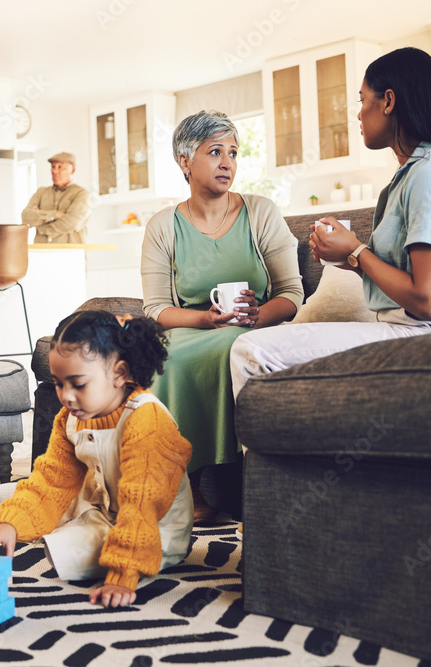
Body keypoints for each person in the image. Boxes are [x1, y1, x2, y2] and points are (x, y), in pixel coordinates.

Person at [230, 47, 431, 398]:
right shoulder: (415, 174)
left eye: (362, 100)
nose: (357, 114)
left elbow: (428, 300)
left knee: (250, 351)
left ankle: (273, 453)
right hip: (417, 331)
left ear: (388, 101)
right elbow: (407, 282)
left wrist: (357, 250)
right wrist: (349, 259)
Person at [141, 110, 303, 522]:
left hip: (256, 327)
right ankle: (187, 490)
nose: (227, 162)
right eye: (215, 152)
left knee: (238, 346)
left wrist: (257, 316)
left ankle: (237, 481)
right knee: (168, 358)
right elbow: (155, 309)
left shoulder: (261, 212)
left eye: (233, 152)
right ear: (184, 161)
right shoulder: (163, 226)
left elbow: (292, 295)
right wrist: (204, 320)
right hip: (193, 328)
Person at [0, 310, 193, 608]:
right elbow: (51, 481)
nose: (66, 396)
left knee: (65, 545)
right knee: (28, 501)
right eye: (59, 384)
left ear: (119, 374)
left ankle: (120, 553)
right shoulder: (69, 419)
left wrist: (122, 574)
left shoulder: (146, 418)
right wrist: (11, 525)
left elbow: (141, 504)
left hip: (152, 528)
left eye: (78, 384)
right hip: (103, 508)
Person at [21, 152, 91, 243]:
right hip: (42, 253)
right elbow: (26, 217)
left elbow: (71, 223)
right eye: (53, 167)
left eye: (60, 167)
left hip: (71, 254)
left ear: (72, 170)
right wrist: (55, 214)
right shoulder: (41, 192)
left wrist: (41, 227)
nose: (54, 171)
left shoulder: (82, 194)